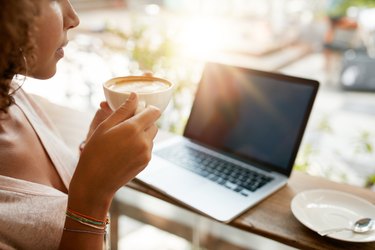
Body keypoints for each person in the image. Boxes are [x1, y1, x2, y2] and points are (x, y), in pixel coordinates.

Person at [0, 0, 161, 249]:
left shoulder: (12, 94)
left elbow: (61, 199)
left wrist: (93, 156)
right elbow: (79, 208)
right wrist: (94, 200)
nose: (74, 18)